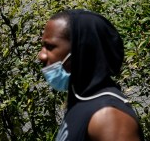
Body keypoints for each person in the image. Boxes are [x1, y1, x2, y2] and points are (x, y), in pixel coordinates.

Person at [38, 9, 143, 141]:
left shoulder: (108, 116)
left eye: (50, 47)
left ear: (81, 50)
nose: (41, 56)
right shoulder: (82, 100)